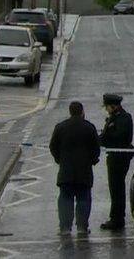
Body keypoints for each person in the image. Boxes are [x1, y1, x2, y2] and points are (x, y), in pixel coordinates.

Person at [49, 101, 100, 236]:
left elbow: (53, 146)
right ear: (82, 111)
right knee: (83, 199)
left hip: (66, 171)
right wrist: (93, 161)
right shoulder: (89, 127)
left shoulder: (60, 127)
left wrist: (59, 160)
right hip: (84, 171)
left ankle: (65, 227)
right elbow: (96, 148)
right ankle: (82, 227)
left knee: (65, 199)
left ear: (70, 112)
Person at [98, 93, 134, 231]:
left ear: (112, 106)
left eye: (107, 107)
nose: (106, 109)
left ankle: (117, 219)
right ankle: (116, 217)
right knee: (115, 188)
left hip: (120, 157)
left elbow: (120, 137)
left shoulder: (124, 118)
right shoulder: (114, 117)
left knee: (117, 188)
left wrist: (104, 139)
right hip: (114, 156)